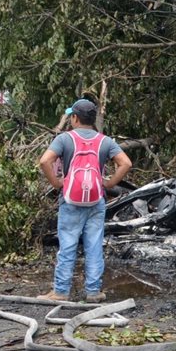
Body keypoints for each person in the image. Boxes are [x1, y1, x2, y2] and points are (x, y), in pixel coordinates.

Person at [37, 99, 131, 302]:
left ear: (75, 118)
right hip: (96, 200)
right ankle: (94, 292)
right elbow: (125, 163)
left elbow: (45, 161)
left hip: (70, 200)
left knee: (68, 245)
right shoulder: (105, 141)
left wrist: (56, 183)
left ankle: (61, 292)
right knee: (94, 245)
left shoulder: (64, 139)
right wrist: (109, 183)